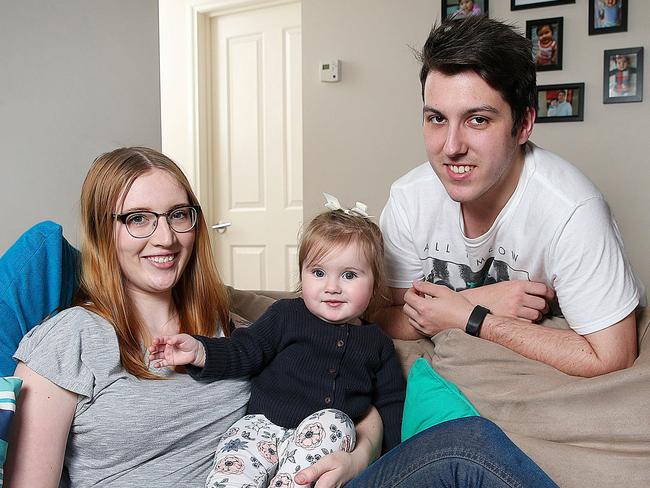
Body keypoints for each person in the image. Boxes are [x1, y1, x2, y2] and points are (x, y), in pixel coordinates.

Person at [5, 148, 380, 487]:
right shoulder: (70, 338)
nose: (165, 237)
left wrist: (358, 458)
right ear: (103, 231)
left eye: (178, 215)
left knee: (441, 450)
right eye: (138, 219)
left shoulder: (230, 329)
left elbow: (353, 386)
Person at [377, 15, 644, 378]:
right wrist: (481, 301)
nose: (451, 147)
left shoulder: (572, 210)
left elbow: (612, 355)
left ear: (524, 124)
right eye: (437, 118)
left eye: (479, 120)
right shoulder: (409, 198)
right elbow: (381, 315)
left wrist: (475, 319)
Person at [149, 195, 406, 488]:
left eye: (349, 275)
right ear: (302, 274)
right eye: (318, 273)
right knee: (233, 472)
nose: (331, 287)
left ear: (374, 284)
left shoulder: (378, 344)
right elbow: (245, 349)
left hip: (319, 442)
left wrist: (394, 460)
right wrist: (200, 351)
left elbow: (391, 405)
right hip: (260, 429)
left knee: (336, 421)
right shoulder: (286, 315)